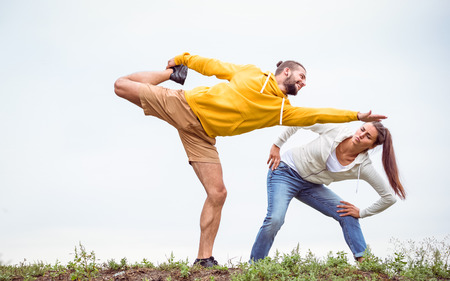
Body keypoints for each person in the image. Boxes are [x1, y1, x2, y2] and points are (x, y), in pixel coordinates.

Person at [114, 52, 387, 267]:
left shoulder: (282, 110)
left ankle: (204, 259)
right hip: (184, 105)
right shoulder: (251, 73)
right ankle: (169, 76)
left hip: (203, 136)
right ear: (287, 71)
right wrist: (183, 60)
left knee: (218, 193)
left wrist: (356, 116)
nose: (303, 83)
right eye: (302, 77)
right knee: (121, 86)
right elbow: (213, 65)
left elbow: (317, 114)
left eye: (306, 81)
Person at [250, 122, 406, 262]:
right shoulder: (336, 131)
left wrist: (362, 212)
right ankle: (256, 266)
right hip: (285, 171)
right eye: (362, 129)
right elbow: (300, 121)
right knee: (275, 218)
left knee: (348, 214)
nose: (360, 135)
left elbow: (389, 198)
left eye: (367, 136)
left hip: (311, 186)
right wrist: (277, 145)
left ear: (372, 146)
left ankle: (365, 265)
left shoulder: (363, 166)